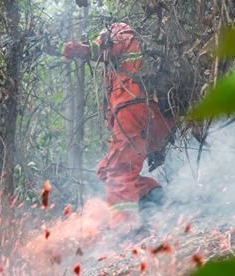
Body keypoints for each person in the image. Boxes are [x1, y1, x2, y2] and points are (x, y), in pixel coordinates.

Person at [63, 22, 173, 232]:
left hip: (131, 108)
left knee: (118, 170)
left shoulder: (121, 32)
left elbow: (101, 48)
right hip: (152, 116)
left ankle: (125, 228)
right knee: (107, 171)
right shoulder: (137, 50)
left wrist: (75, 48)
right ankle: (156, 199)